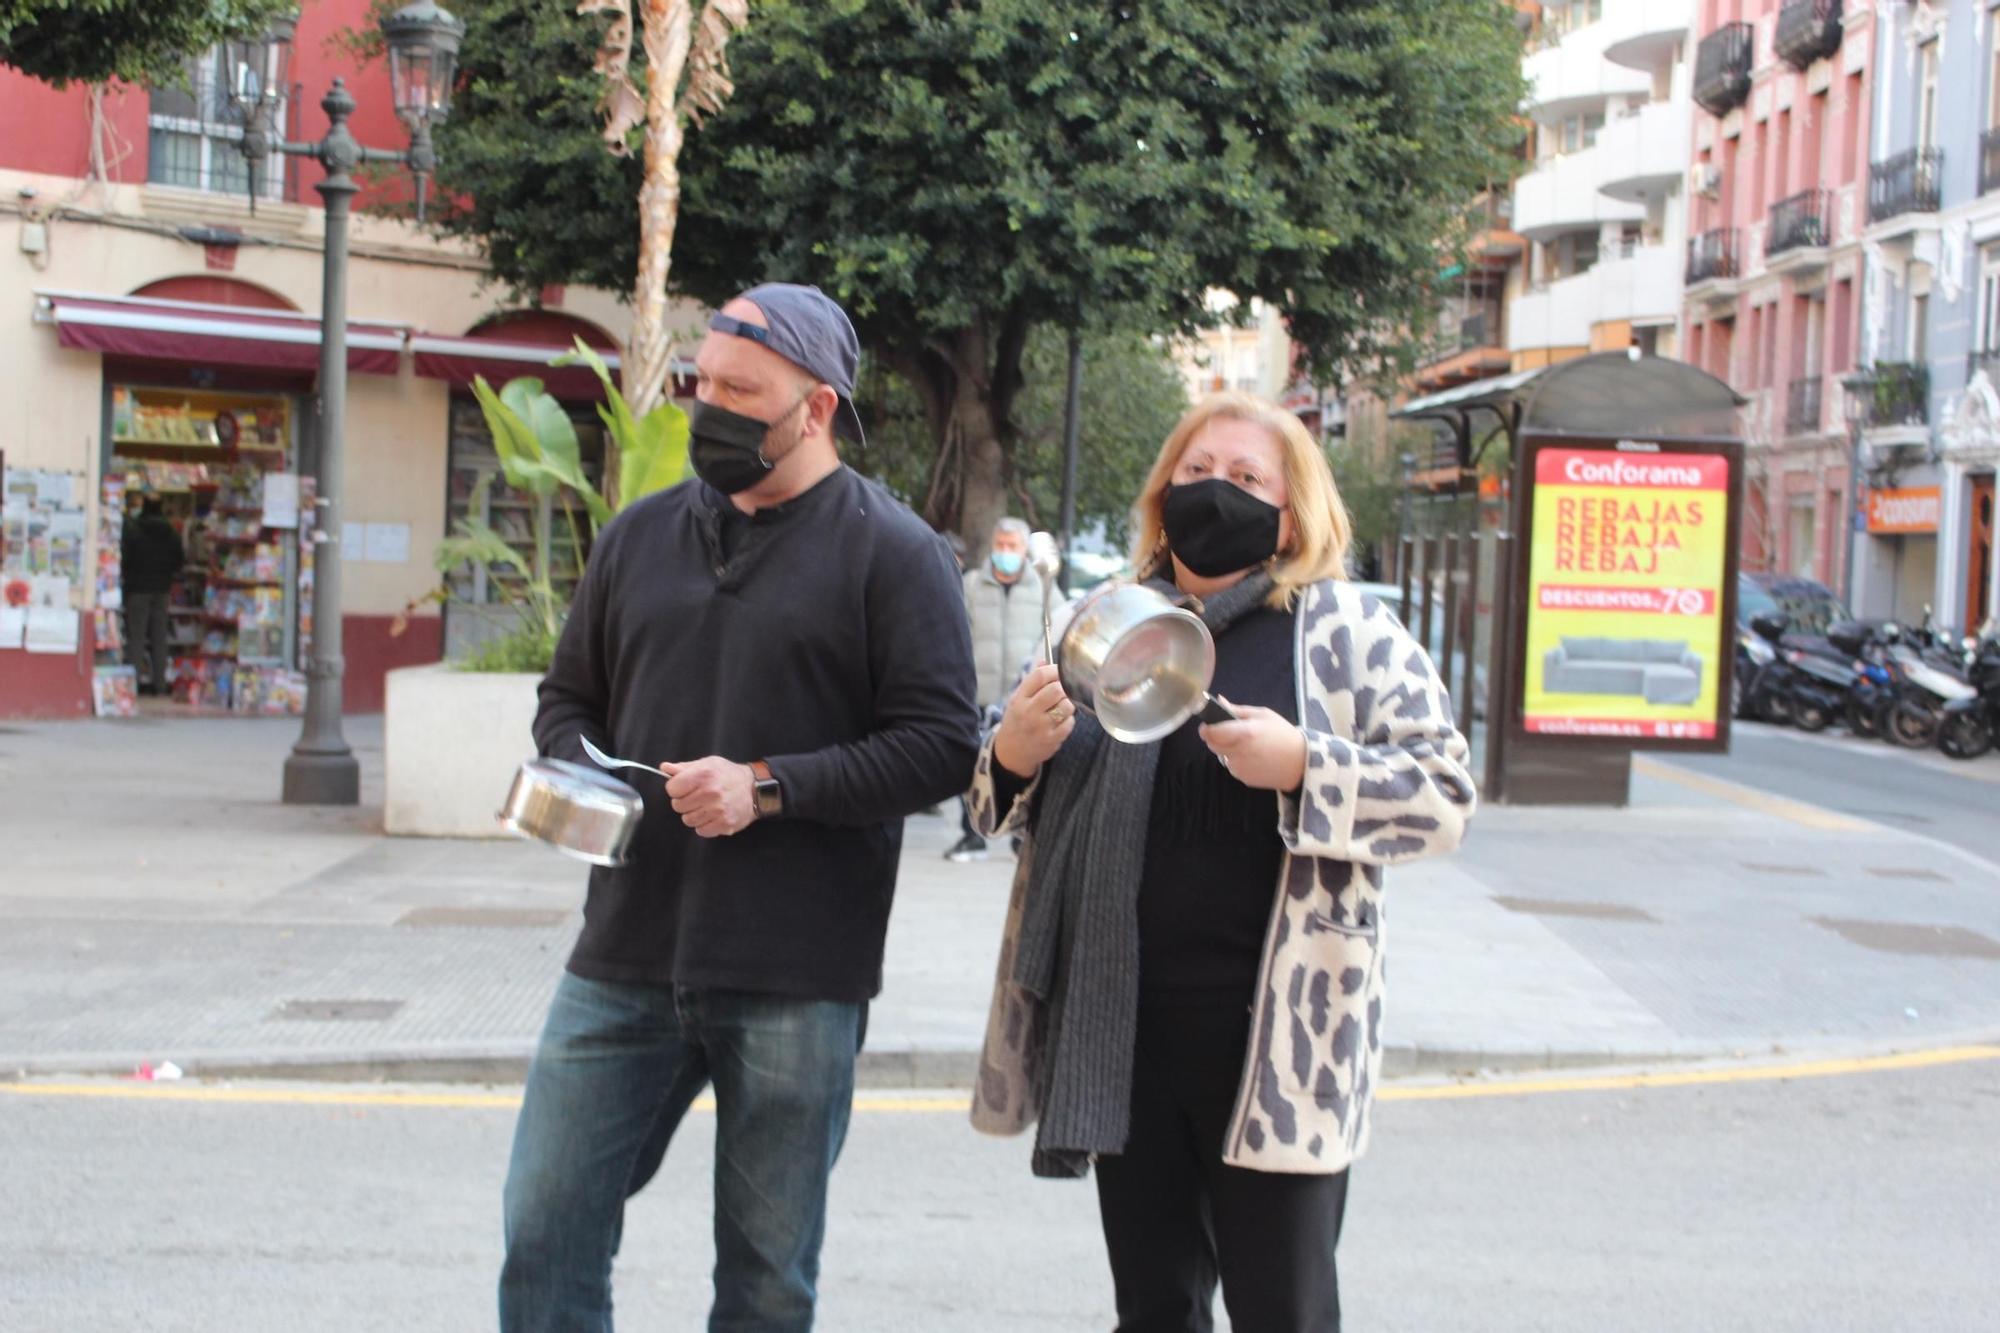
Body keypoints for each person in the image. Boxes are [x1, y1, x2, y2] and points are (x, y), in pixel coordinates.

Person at [500, 283, 980, 1332]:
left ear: (814, 410)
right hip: (622, 953)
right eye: (700, 382)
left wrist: (765, 786)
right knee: (544, 1224)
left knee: (765, 1278)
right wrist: (585, 777)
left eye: (739, 391)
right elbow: (566, 701)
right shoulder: (637, 536)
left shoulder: (894, 553)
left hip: (796, 975)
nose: (706, 406)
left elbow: (943, 745)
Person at [964, 392, 1476, 1332]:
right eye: (1195, 474)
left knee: (1285, 1307)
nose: (1215, 492)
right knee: (1154, 1306)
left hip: (1279, 1039)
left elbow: (1444, 795)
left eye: (1245, 478)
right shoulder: (1102, 625)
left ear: (1292, 511)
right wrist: (1012, 753)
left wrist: (1305, 767)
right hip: (1123, 1024)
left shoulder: (1345, 634)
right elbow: (993, 801)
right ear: (1162, 495)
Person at [947, 516, 1053, 862]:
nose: (1006, 552)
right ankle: (971, 835)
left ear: (1024, 550)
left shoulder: (1041, 587)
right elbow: (955, 633)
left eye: (1013, 547)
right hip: (978, 691)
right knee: (973, 764)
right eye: (1001, 546)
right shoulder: (973, 585)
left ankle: (1020, 838)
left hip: (1022, 696)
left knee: (1026, 764)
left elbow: (1057, 630)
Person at [120, 496, 183, 697]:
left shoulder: (133, 530)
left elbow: (125, 558)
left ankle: (133, 684)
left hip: (137, 590)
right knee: (159, 638)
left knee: (136, 639)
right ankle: (161, 685)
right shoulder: (171, 532)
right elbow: (179, 561)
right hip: (162, 590)